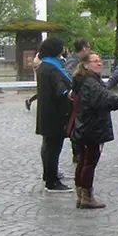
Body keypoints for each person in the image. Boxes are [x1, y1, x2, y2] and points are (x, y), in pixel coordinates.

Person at [70, 52, 118, 209]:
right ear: (86, 65)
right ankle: (86, 197)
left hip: (83, 126)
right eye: (95, 61)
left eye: (100, 60)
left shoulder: (84, 80)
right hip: (91, 127)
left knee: (83, 160)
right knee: (89, 161)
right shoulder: (90, 83)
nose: (99, 63)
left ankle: (81, 195)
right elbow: (105, 99)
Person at [36, 37, 74, 193]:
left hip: (46, 112)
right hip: (56, 113)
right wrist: (70, 93)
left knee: (48, 146)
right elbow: (61, 90)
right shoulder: (53, 68)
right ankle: (52, 181)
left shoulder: (43, 66)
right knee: (53, 148)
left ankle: (49, 174)